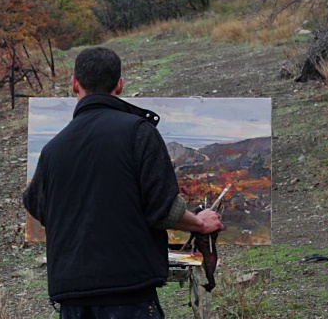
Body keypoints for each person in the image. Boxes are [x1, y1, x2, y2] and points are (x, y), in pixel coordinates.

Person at [23, 47, 224, 319]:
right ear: (119, 85)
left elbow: (35, 203)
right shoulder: (138, 133)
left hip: (71, 297)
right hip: (128, 294)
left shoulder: (52, 149)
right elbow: (162, 209)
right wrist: (201, 222)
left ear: (74, 83)